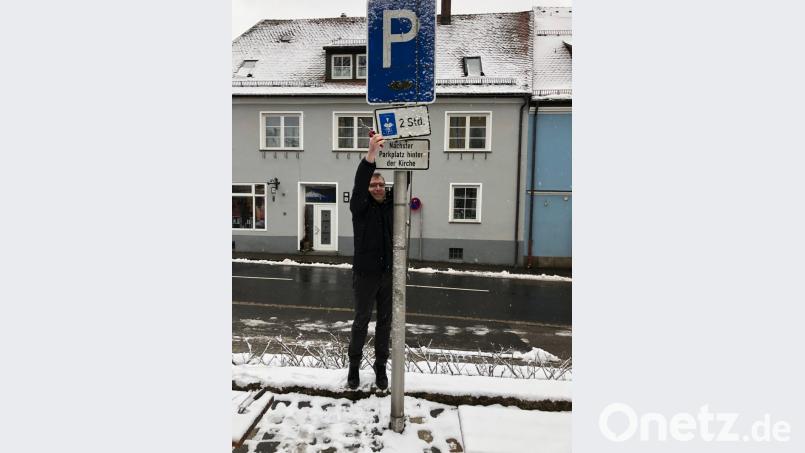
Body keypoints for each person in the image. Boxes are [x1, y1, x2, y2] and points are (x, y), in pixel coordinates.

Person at [347, 131, 392, 390]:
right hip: (365, 275)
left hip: (387, 275)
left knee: (385, 324)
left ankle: (380, 367)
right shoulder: (360, 209)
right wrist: (371, 156)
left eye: (380, 185)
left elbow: (407, 173)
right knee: (361, 321)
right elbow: (361, 179)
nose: (377, 187)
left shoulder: (391, 205)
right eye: (373, 185)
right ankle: (354, 366)